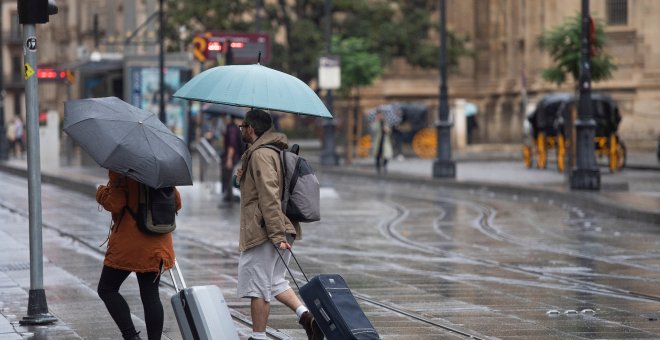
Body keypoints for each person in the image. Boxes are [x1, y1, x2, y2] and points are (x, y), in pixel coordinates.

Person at [234, 109, 322, 340]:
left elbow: (269, 196)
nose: (241, 130)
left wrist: (276, 235)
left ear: (252, 129)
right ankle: (307, 317)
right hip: (278, 227)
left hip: (266, 230)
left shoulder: (262, 155)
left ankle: (259, 336)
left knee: (258, 286)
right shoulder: (267, 152)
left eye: (243, 126)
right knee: (274, 281)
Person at [95, 171, 181, 340]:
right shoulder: (162, 169)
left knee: (107, 289)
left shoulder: (122, 167)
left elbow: (116, 203)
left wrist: (101, 192)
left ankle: (131, 336)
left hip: (131, 241)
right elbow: (177, 203)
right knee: (150, 293)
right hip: (158, 242)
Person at [220, 114, 243, 204]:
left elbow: (232, 145)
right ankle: (229, 195)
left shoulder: (231, 128)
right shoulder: (232, 128)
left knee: (228, 176)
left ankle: (229, 196)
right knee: (229, 176)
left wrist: (229, 158)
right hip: (234, 156)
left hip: (232, 157)